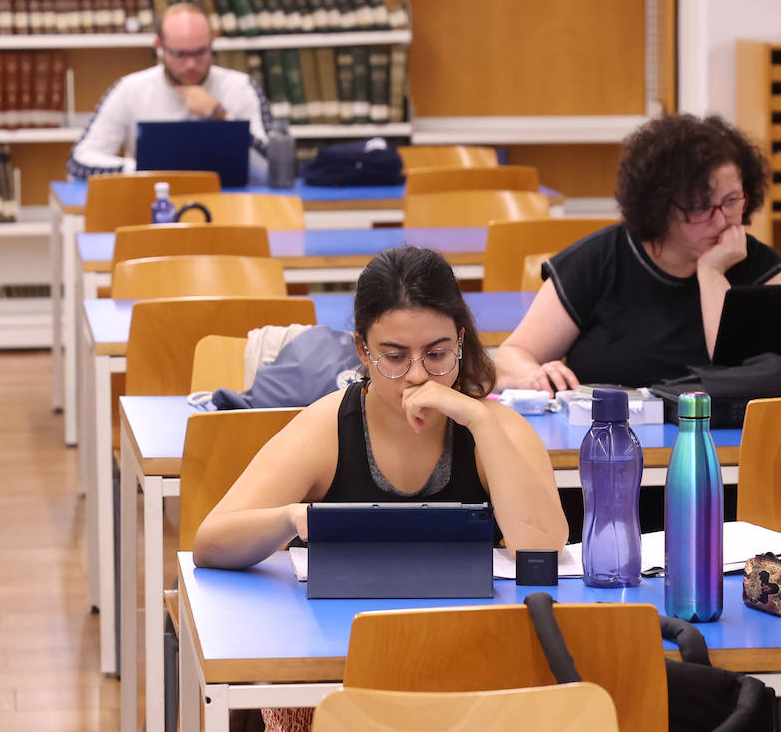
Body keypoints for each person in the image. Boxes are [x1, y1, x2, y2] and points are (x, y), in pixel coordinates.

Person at [193, 245, 568, 572]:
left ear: (461, 340)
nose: (418, 375)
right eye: (394, 356)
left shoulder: (495, 425)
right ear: (363, 350)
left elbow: (543, 549)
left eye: (437, 354)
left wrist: (481, 422)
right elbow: (210, 544)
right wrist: (292, 518)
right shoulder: (327, 427)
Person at [495, 113, 781, 392]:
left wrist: (712, 273)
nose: (722, 220)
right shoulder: (599, 260)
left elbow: (748, 383)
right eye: (700, 207)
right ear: (659, 208)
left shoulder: (762, 269)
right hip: (609, 439)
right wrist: (533, 375)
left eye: (732, 200)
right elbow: (510, 358)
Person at [66, 2, 273, 182]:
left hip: (231, 208)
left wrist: (220, 115)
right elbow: (78, 163)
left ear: (212, 43)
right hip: (150, 205)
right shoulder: (130, 89)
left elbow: (272, 169)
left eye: (200, 52)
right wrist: (144, 169)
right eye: (180, 54)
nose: (191, 64)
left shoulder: (241, 87)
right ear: (160, 46)